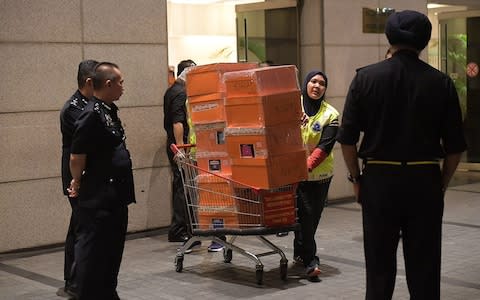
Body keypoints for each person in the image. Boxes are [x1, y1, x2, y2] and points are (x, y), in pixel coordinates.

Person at [336, 10, 466, 300]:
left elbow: (347, 140)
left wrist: (356, 179)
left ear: (389, 37)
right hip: (424, 179)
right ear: (424, 40)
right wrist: (441, 183)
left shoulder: (365, 78)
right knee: (425, 266)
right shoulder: (441, 83)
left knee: (379, 266)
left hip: (379, 180)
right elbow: (455, 147)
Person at [69, 62, 136, 299]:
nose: (123, 88)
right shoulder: (90, 114)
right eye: (120, 82)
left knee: (112, 252)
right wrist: (76, 181)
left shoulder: (108, 109)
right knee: (93, 254)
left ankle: (108, 292)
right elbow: (77, 156)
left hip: (115, 196)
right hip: (98, 198)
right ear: (108, 84)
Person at [164, 60, 225, 253]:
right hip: (195, 153)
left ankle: (216, 236)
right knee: (194, 196)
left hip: (208, 154)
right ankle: (197, 235)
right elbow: (179, 122)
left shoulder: (207, 100)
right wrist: (183, 149)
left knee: (209, 196)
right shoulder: (187, 98)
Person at [57, 59, 98, 298]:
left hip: (87, 174)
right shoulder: (73, 108)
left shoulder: (92, 104)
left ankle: (77, 277)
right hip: (76, 175)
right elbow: (87, 144)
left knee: (80, 225)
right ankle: (74, 280)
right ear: (89, 82)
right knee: (81, 227)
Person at [294, 70, 339, 282]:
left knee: (312, 217)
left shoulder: (331, 114)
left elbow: (325, 146)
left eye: (322, 83)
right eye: (313, 81)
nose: (317, 86)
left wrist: (307, 166)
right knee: (305, 216)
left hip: (320, 176)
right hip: (295, 175)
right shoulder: (293, 107)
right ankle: (311, 260)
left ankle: (300, 251)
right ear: (306, 83)